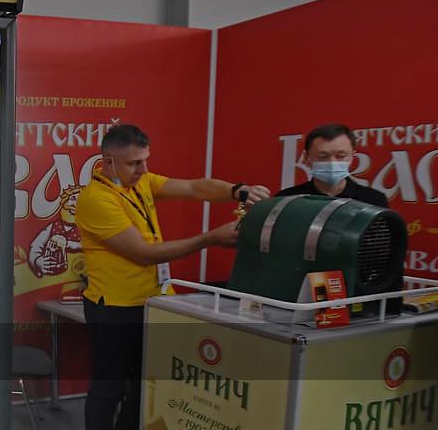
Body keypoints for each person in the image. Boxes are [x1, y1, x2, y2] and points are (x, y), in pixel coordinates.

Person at [74, 124, 270, 430]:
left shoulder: (141, 182)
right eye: (134, 163)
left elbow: (194, 188)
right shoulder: (96, 199)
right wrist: (209, 238)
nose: (143, 169)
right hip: (115, 307)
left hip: (154, 302)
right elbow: (143, 253)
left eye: (145, 160)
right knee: (109, 387)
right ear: (107, 162)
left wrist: (238, 190)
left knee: (146, 383)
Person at [276, 124, 388, 207]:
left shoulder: (373, 200)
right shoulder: (286, 199)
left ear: (352, 156)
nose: (332, 162)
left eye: (340, 156)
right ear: (306, 158)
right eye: (322, 156)